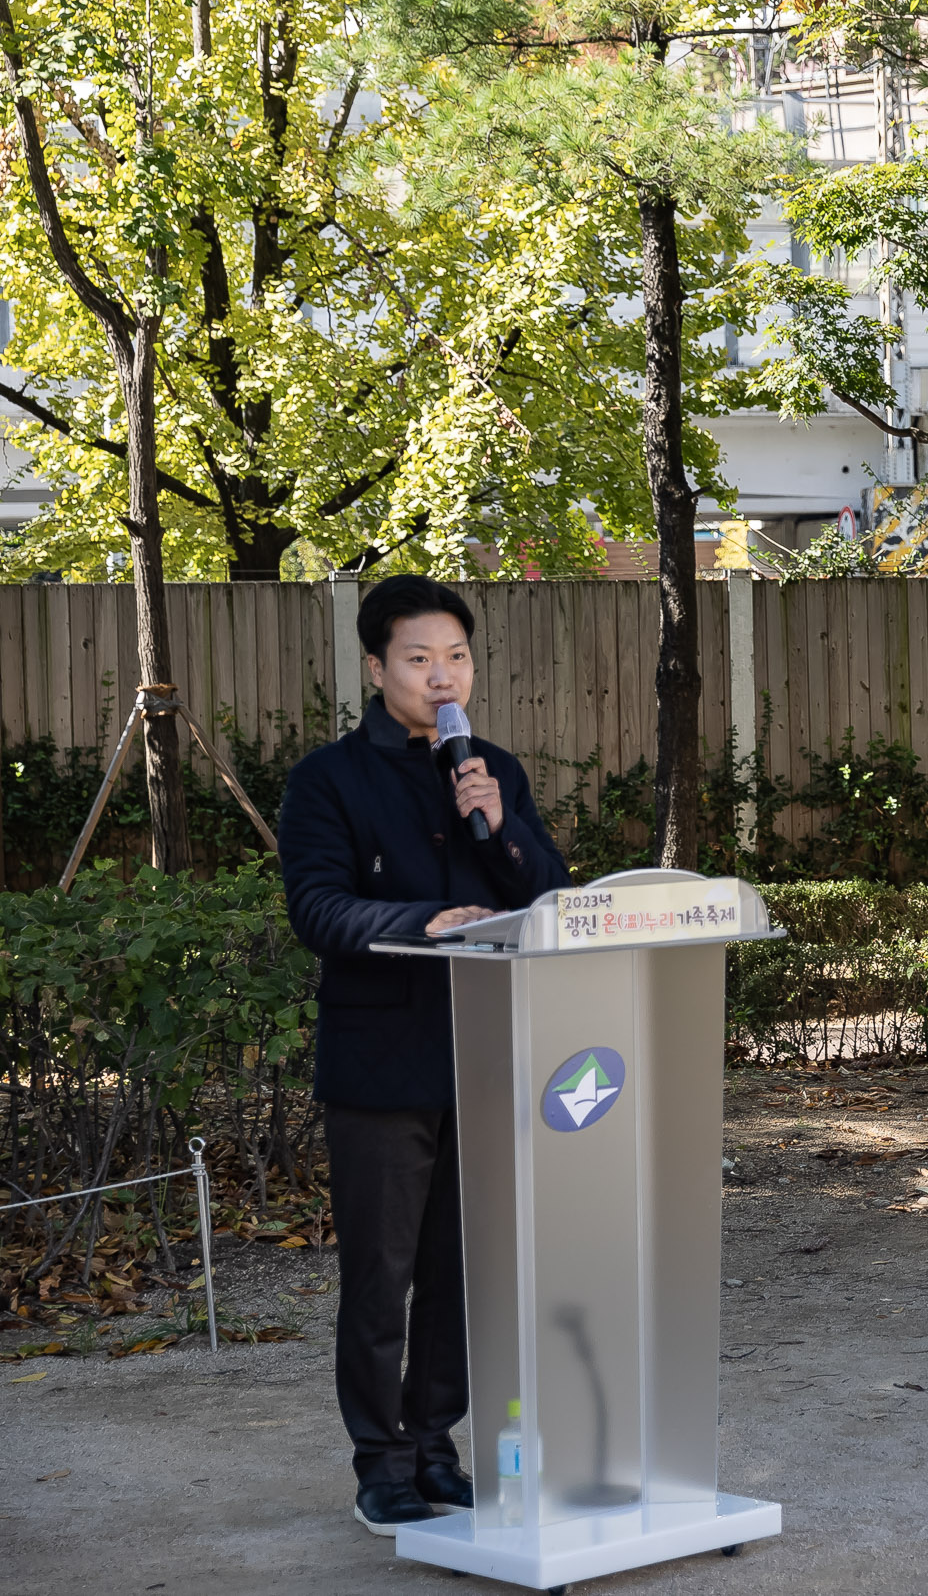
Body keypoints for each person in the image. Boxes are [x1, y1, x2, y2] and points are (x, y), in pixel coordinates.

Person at [279, 576, 570, 1536]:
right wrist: (423, 921)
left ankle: (435, 1445)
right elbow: (317, 907)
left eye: (456, 657)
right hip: (381, 1064)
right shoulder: (329, 780)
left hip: (487, 1055)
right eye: (419, 658)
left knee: (461, 1270)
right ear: (376, 667)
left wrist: (504, 826)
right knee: (382, 1272)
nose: (442, 675)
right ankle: (381, 1462)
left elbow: (548, 894)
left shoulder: (490, 767)